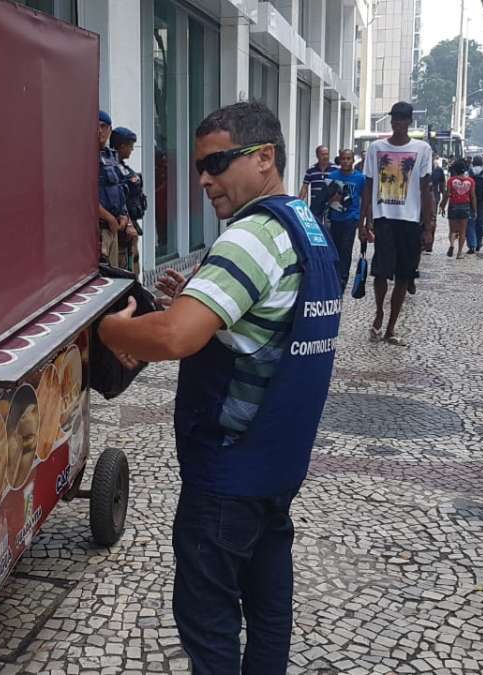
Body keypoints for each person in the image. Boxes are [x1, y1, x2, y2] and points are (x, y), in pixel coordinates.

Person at [99, 101, 340, 674]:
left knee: (207, 622)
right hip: (279, 465)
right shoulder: (305, 228)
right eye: (199, 166)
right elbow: (271, 321)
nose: (204, 178)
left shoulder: (251, 237)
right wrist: (203, 291)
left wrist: (107, 327)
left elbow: (176, 335)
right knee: (268, 605)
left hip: (229, 470)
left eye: (217, 163)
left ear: (264, 158)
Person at [361, 101, 434, 345]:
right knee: (381, 272)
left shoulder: (422, 149)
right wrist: (364, 220)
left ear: (409, 122)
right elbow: (369, 184)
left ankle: (392, 326)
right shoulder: (376, 148)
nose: (398, 123)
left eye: (403, 119)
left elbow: (426, 188)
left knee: (404, 275)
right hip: (384, 218)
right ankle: (380, 312)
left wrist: (429, 226)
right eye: (395, 119)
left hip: (410, 220)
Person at [327, 148, 366, 290]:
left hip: (351, 217)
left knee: (346, 247)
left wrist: (364, 222)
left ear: (352, 160)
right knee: (335, 248)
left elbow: (365, 199)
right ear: (339, 160)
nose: (345, 161)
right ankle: (335, 274)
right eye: (343, 158)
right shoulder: (332, 176)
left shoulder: (360, 178)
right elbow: (327, 197)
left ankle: (343, 277)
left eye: (348, 158)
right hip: (335, 217)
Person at [97, 110, 129, 265]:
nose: (100, 130)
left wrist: (124, 214)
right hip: (99, 229)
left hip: (113, 227)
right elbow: (85, 197)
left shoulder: (111, 156)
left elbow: (120, 188)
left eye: (103, 126)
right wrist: (109, 218)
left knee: (116, 272)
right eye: (96, 126)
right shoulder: (85, 156)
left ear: (110, 129)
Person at [111, 126, 144, 273]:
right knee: (125, 265)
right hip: (123, 227)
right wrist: (129, 224)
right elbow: (118, 199)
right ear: (122, 146)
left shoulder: (123, 167)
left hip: (130, 224)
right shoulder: (113, 168)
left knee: (134, 259)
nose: (132, 149)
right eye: (130, 146)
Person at [441, 159, 476, 259]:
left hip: (453, 207)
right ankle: (459, 253)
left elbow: (447, 194)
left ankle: (452, 245)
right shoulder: (470, 181)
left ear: (455, 170)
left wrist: (442, 206)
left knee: (452, 230)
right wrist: (474, 209)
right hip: (465, 207)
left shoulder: (451, 180)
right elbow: (473, 196)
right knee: (462, 231)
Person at [300, 144, 334, 215]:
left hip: (331, 205)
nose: (325, 157)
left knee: (328, 226)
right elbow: (304, 187)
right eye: (322, 154)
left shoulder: (336, 169)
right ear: (317, 156)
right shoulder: (311, 170)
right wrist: (299, 202)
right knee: (316, 225)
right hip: (315, 205)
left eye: (327, 154)